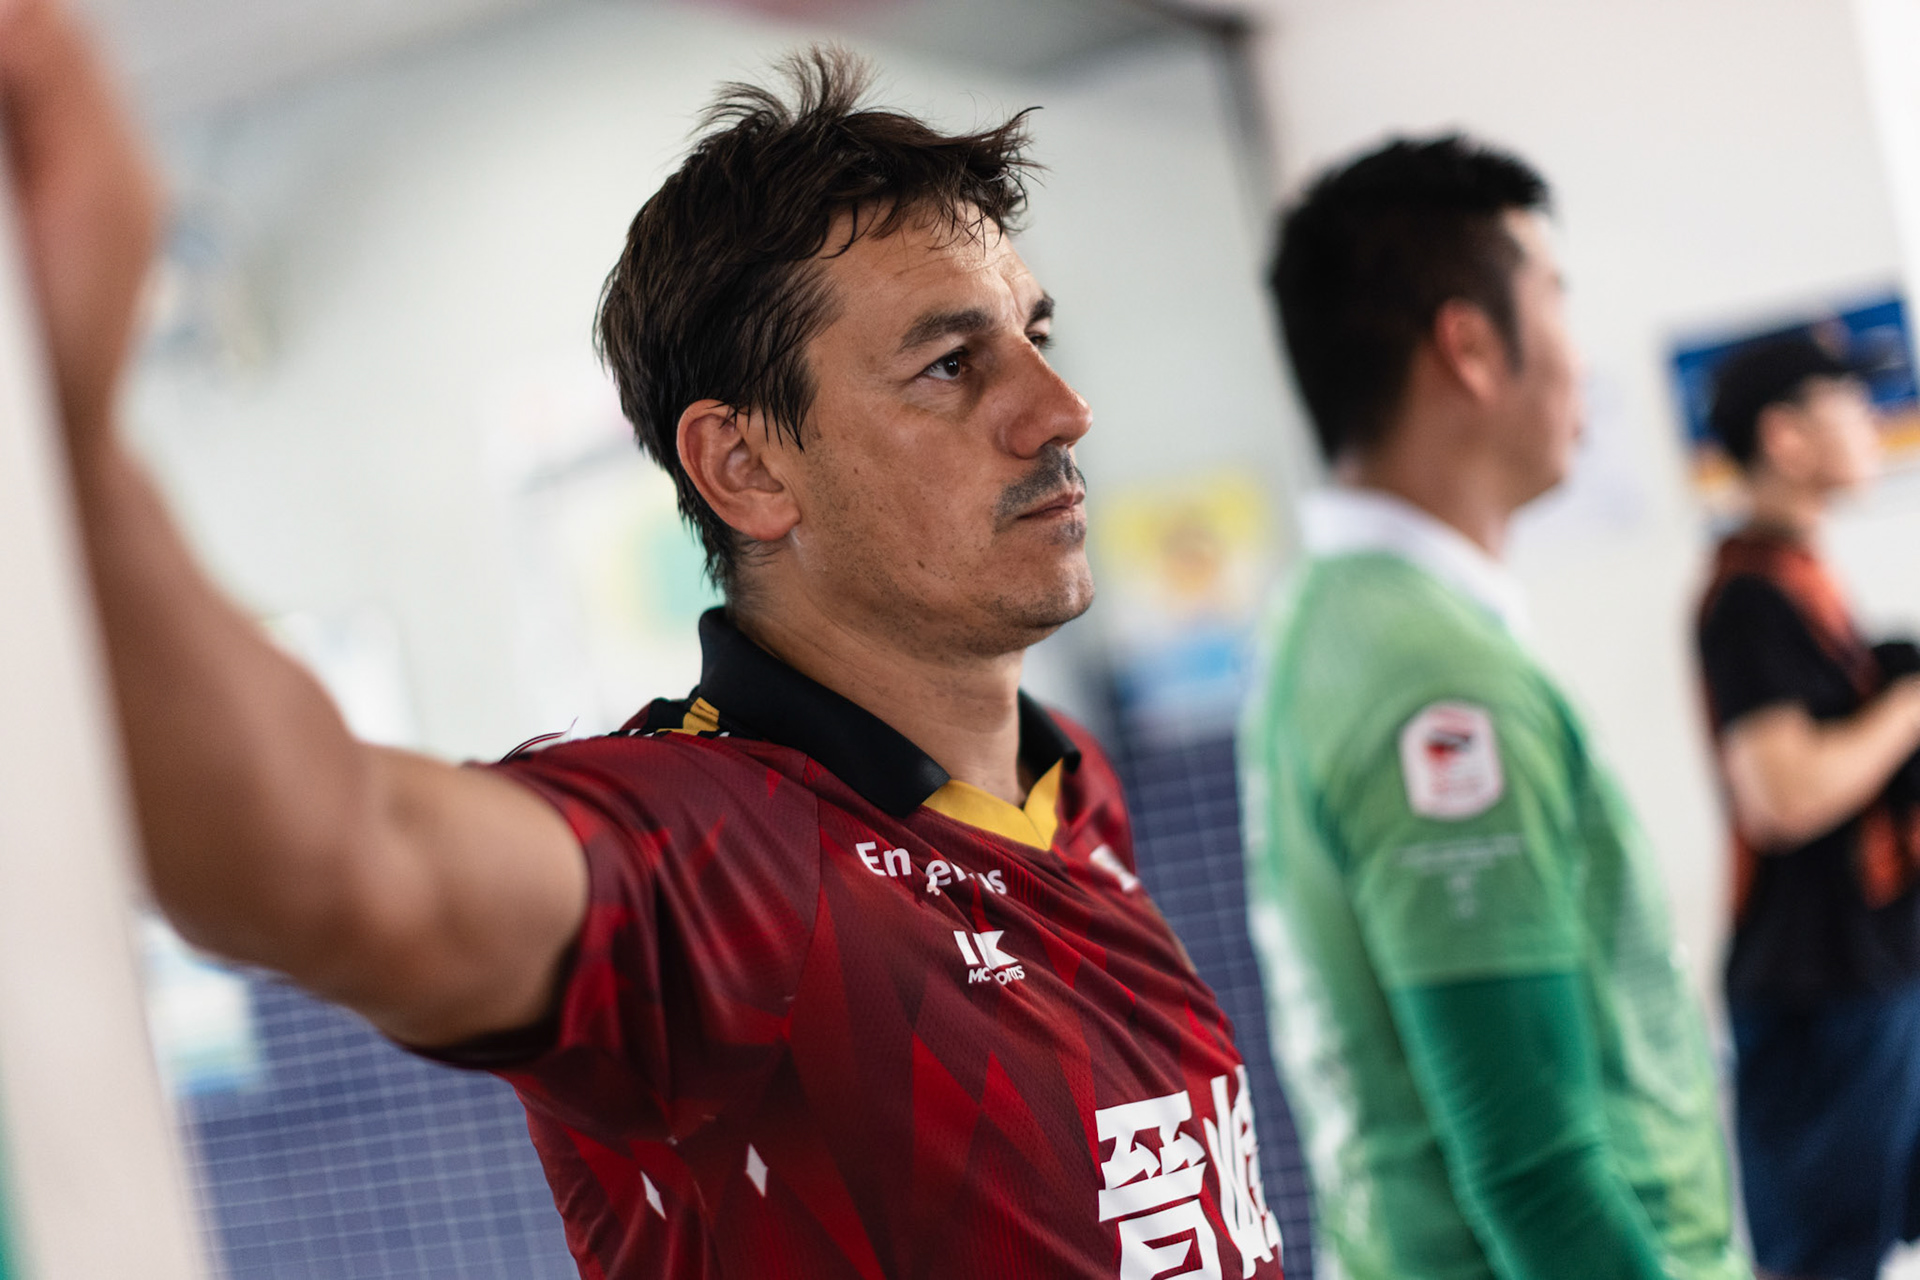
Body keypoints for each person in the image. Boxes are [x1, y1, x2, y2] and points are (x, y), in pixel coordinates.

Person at [0, 3, 1287, 1277]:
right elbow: (344, 860)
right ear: (745, 466)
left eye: (1035, 336)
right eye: (952, 365)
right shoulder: (715, 857)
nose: (1061, 408)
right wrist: (61, 435)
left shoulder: (1069, 795)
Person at [1237, 134, 1747, 1280]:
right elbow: (1534, 1169)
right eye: (1555, 301)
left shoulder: (1341, 617)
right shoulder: (1433, 678)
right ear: (1469, 345)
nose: (1578, 355)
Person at [1695, 331, 1920, 1280]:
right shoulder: (1748, 595)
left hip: (1872, 972)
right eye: (1847, 404)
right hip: (1819, 992)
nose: (1873, 425)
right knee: (1825, 1262)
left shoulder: (1800, 578)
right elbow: (1782, 794)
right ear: (1784, 436)